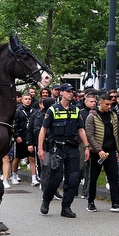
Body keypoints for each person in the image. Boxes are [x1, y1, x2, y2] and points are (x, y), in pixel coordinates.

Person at [38, 88, 90, 218]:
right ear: (61, 93)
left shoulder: (75, 110)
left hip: (72, 147)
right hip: (57, 147)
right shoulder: (53, 110)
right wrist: (40, 149)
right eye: (67, 91)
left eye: (72, 92)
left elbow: (81, 129)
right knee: (55, 178)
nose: (70, 94)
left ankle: (66, 207)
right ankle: (46, 200)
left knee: (73, 179)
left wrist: (87, 147)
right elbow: (43, 130)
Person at [84, 93, 119, 213]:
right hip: (97, 152)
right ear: (100, 103)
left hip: (110, 150)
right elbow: (89, 135)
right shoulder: (92, 116)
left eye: (111, 104)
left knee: (114, 177)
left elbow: (117, 133)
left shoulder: (113, 115)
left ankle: (116, 202)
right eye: (107, 104)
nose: (109, 107)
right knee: (93, 177)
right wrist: (99, 150)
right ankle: (90, 202)